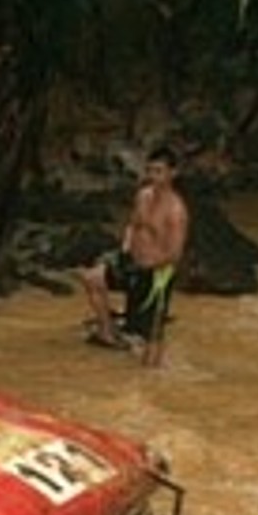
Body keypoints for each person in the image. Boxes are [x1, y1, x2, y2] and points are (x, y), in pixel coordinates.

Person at [82, 144, 190, 368]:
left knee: (151, 334)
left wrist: (150, 265)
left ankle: (150, 378)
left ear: (172, 173)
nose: (153, 176)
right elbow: (133, 224)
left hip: (156, 273)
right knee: (92, 278)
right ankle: (107, 333)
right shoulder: (143, 195)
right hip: (130, 260)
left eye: (159, 171)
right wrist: (126, 244)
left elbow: (175, 253)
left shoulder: (176, 211)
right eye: (150, 170)